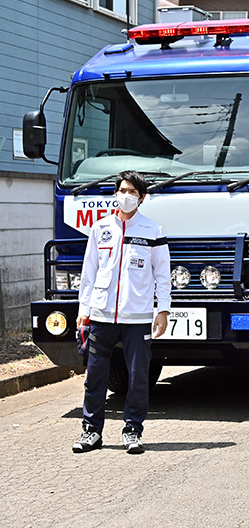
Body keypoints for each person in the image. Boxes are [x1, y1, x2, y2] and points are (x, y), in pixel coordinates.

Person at [72, 171, 171, 454]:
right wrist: (84, 308)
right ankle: (91, 431)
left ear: (142, 197)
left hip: (137, 317)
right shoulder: (101, 227)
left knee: (138, 376)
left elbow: (162, 275)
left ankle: (132, 430)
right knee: (95, 376)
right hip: (101, 315)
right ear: (116, 193)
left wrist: (162, 310)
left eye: (132, 192)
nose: (126, 195)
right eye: (122, 190)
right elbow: (89, 272)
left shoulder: (153, 231)